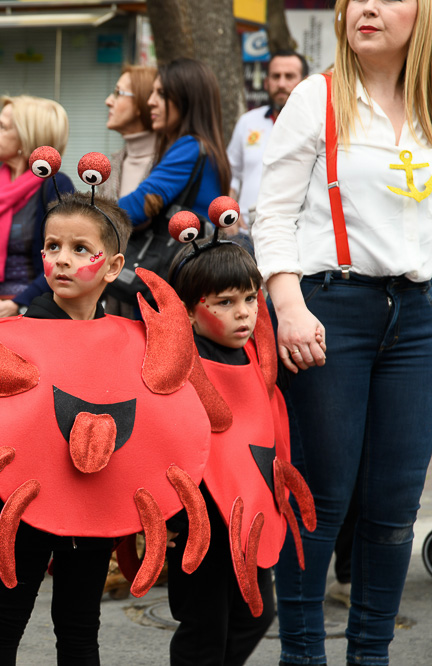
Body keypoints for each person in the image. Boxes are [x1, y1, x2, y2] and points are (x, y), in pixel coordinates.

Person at [252, 0, 432, 663]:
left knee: (393, 506)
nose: (368, 8)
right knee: (318, 498)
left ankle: (371, 655)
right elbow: (270, 214)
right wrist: (289, 304)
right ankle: (302, 654)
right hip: (331, 309)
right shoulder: (316, 97)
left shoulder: (429, 104)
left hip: (420, 316)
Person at [0, 192, 128, 664]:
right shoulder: (14, 337)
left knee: (80, 624)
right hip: (25, 496)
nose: (61, 258)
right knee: (5, 616)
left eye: (80, 249)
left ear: (113, 266)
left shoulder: (125, 342)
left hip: (92, 496)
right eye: (52, 246)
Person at [165, 240, 276, 665]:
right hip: (199, 521)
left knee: (255, 615)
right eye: (226, 302)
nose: (245, 312)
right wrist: (173, 515)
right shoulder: (179, 364)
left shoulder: (251, 355)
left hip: (247, 511)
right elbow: (163, 445)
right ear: (191, 311)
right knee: (204, 628)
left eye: (250, 298)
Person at [0, 95, 76, 320]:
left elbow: (63, 258)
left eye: (2, 126)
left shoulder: (56, 187)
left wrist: (16, 305)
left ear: (26, 139)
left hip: (37, 313)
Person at [118, 58, 231, 227]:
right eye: (152, 92)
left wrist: (87, 215)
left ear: (187, 100)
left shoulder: (190, 147)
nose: (151, 102)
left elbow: (139, 204)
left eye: (162, 94)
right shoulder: (199, 146)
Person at [226, 51, 308, 249]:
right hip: (245, 236)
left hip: (295, 236)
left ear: (305, 82)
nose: (281, 83)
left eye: (289, 76)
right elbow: (233, 174)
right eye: (275, 76)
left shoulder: (315, 124)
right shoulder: (248, 122)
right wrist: (229, 212)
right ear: (266, 82)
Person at [98, 64, 157, 318]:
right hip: (110, 298)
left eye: (119, 93)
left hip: (154, 298)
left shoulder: (170, 166)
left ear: (145, 101)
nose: (108, 101)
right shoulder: (108, 165)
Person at [99, 65, 158, 201]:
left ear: (142, 101)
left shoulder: (171, 163)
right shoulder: (111, 165)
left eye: (118, 93)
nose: (108, 101)